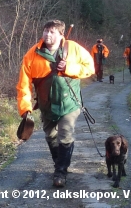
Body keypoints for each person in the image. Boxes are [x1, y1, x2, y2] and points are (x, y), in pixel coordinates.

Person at [16, 20, 94, 188]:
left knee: (65, 134)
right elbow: (23, 85)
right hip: (46, 105)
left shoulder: (73, 48)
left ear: (60, 35)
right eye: (46, 31)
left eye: (52, 32)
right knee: (51, 137)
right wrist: (25, 108)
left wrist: (69, 67)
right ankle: (60, 164)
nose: (47, 35)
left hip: (69, 103)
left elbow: (90, 68)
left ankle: (60, 172)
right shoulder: (32, 54)